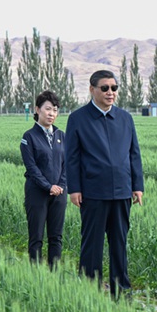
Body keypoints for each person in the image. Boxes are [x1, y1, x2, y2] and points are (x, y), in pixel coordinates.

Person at [65, 70, 144, 298]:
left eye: (114, 88)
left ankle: (121, 290)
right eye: (105, 88)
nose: (111, 92)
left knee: (119, 243)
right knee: (92, 243)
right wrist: (75, 189)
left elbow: (134, 154)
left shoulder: (125, 118)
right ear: (92, 89)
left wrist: (137, 186)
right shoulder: (78, 118)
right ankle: (90, 288)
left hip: (121, 192)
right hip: (92, 192)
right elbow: (72, 157)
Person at [20, 90, 67, 269]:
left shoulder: (61, 136)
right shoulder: (29, 137)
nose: (51, 114)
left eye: (55, 110)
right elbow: (31, 168)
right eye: (48, 109)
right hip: (37, 193)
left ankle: (54, 273)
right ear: (37, 110)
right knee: (36, 237)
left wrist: (60, 186)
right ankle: (36, 275)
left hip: (59, 194)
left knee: (56, 237)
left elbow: (66, 165)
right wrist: (48, 187)